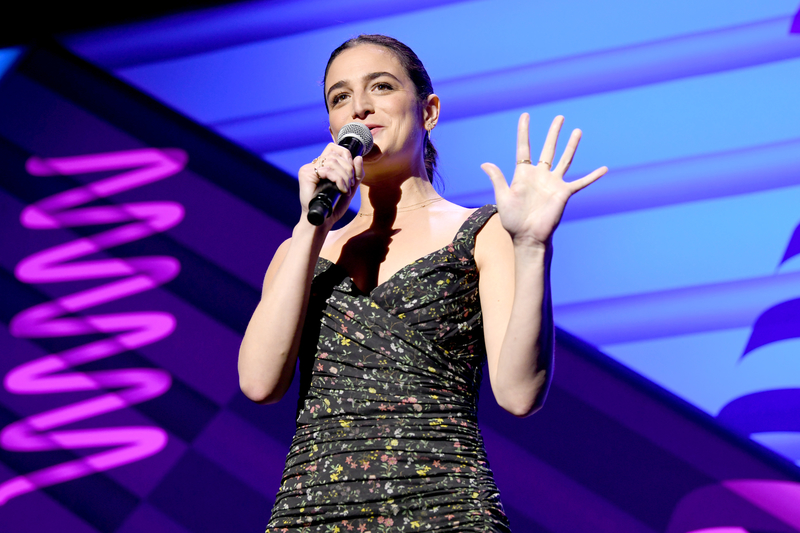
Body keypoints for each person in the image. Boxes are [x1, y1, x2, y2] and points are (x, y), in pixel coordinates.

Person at [239, 34, 607, 532]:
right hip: (313, 510)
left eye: (382, 87)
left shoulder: (481, 232)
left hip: (444, 507)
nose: (360, 108)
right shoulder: (303, 247)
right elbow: (259, 383)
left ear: (428, 111)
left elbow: (519, 394)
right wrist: (312, 226)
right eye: (340, 97)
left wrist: (532, 246)